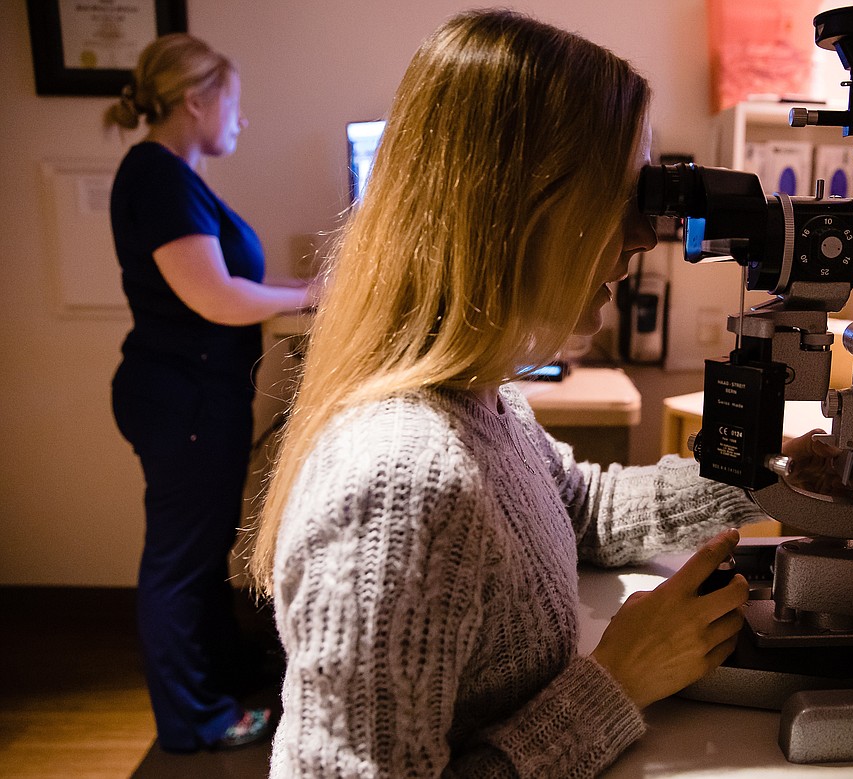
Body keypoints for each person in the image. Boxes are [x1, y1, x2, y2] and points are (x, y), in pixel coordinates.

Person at [249, 10, 767, 777]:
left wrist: (767, 476)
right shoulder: (402, 481)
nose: (641, 240)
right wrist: (618, 680)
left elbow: (575, 509)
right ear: (519, 209)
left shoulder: (480, 399)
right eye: (621, 201)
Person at [105, 33, 314, 752]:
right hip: (181, 397)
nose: (241, 118)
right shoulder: (157, 177)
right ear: (196, 100)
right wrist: (312, 291)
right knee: (182, 559)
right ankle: (195, 719)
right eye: (234, 101)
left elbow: (220, 291)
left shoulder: (169, 175)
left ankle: (222, 671)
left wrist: (300, 294)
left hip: (192, 392)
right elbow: (215, 297)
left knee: (202, 547)